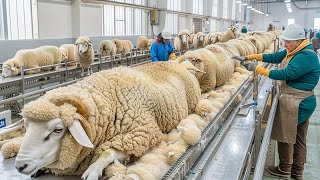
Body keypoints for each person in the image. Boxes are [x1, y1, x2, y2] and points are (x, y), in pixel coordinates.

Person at [233, 24, 320, 180]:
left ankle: (285, 169)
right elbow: (274, 57)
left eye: (288, 42)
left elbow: (286, 73)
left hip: (298, 102)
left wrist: (256, 68)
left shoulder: (306, 56)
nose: (285, 44)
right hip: (296, 99)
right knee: (299, 137)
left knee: (287, 136)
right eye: (284, 41)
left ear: (299, 40)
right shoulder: (295, 50)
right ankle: (296, 172)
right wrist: (250, 57)